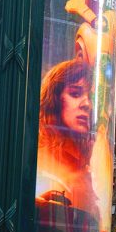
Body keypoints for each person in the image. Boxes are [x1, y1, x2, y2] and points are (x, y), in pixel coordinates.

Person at [36, 59, 100, 221]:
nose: (87, 104)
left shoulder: (87, 165)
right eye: (75, 94)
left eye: (91, 97)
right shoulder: (40, 158)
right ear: (55, 99)